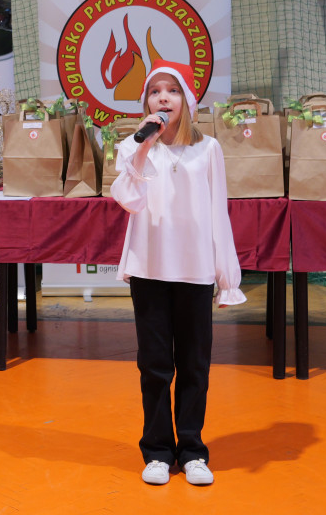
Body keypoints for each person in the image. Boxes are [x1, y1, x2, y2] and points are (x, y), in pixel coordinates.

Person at [110, 60, 246, 487]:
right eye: (154, 91)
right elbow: (128, 199)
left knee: (193, 364)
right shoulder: (133, 148)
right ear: (146, 102)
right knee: (153, 365)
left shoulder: (207, 149)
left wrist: (226, 278)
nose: (163, 98)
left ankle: (191, 450)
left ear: (186, 99)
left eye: (171, 90)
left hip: (194, 271)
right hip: (149, 269)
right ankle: (156, 450)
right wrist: (144, 148)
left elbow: (217, 214)